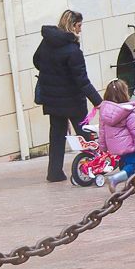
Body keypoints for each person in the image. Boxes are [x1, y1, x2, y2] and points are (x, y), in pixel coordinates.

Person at [32, 9, 102, 183]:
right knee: (84, 135)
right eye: (79, 26)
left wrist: (52, 72)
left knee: (56, 135)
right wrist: (98, 102)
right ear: (71, 25)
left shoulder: (47, 42)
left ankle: (54, 173)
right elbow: (82, 81)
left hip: (52, 99)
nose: (80, 30)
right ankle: (94, 167)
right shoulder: (72, 50)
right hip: (72, 100)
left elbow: (36, 60)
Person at [91, 78, 135, 184]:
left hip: (114, 146)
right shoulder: (128, 111)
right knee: (133, 163)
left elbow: (102, 131)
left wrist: (103, 147)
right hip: (128, 146)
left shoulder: (104, 112)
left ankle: (131, 184)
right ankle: (115, 179)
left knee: (126, 164)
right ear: (124, 93)